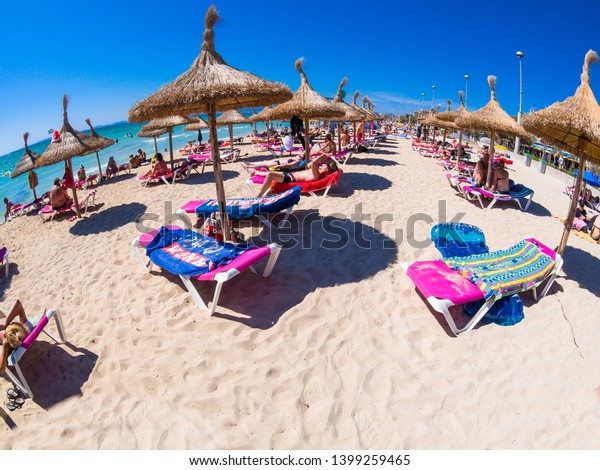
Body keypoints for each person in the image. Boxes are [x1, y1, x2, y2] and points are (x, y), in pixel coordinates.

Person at [249, 154, 338, 197]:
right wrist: (320, 160)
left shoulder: (317, 175)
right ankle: (255, 173)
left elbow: (314, 163)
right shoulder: (317, 170)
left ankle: (258, 196)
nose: (324, 164)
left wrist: (321, 157)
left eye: (326, 164)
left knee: (270, 175)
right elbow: (309, 165)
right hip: (289, 175)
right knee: (269, 174)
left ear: (327, 170)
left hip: (290, 179)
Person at [0, 300, 33, 376]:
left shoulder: (8, 344)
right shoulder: (26, 327)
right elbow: (17, 303)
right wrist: (6, 323)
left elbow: (1, 371)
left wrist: (6, 323)